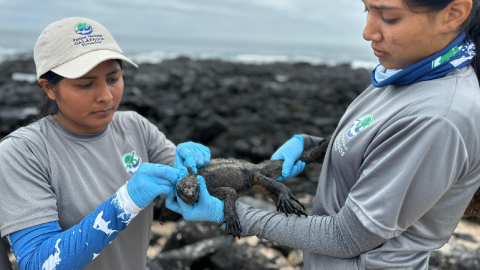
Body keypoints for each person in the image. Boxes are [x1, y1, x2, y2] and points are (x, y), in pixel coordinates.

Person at [165, 0, 480, 269]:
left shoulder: (439, 118)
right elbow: (380, 146)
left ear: (453, 13)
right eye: (366, 10)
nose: (368, 32)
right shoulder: (405, 74)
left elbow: (345, 238)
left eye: (389, 16)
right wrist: (313, 147)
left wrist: (230, 214)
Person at [0, 17, 213, 270]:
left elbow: (200, 191)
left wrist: (206, 170)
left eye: (113, 79)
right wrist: (124, 202)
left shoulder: (136, 127)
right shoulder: (22, 153)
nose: (105, 96)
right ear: (49, 88)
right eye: (85, 84)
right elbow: (37, 263)